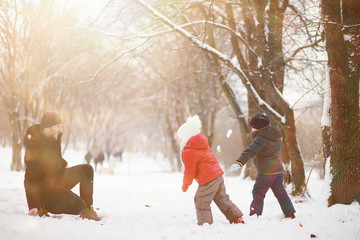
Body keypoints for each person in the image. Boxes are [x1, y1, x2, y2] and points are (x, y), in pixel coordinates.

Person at [23, 112, 101, 221]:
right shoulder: (35, 148)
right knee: (79, 205)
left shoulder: (53, 139)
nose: (61, 130)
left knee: (86, 170)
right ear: (47, 127)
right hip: (47, 196)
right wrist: (33, 206)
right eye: (57, 126)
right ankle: (83, 209)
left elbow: (53, 157)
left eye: (61, 126)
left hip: (57, 179)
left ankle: (88, 209)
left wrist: (63, 163)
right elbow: (30, 179)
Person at [177, 115, 244, 225]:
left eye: (180, 137)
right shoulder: (202, 144)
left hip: (208, 180)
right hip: (218, 177)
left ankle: (205, 223)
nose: (179, 140)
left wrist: (186, 184)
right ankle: (237, 217)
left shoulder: (188, 151)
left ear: (186, 136)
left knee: (201, 201)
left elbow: (190, 171)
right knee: (222, 199)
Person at [230, 112, 296, 219]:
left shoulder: (261, 138)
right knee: (281, 193)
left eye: (253, 127)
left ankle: (255, 215)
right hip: (278, 171)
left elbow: (250, 151)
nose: (251, 129)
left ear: (258, 127)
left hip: (266, 172)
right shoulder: (276, 136)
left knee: (258, 192)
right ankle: (290, 212)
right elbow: (282, 149)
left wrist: (239, 163)